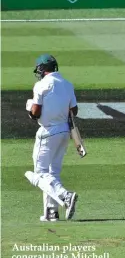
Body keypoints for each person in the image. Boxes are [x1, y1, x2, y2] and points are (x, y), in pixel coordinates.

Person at [23, 54, 79, 222]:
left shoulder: (41, 85)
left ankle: (65, 196)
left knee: (39, 174)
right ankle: (51, 213)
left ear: (42, 69)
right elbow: (74, 111)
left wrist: (30, 109)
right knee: (53, 173)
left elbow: (35, 113)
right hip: (64, 132)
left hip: (47, 132)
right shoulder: (68, 84)